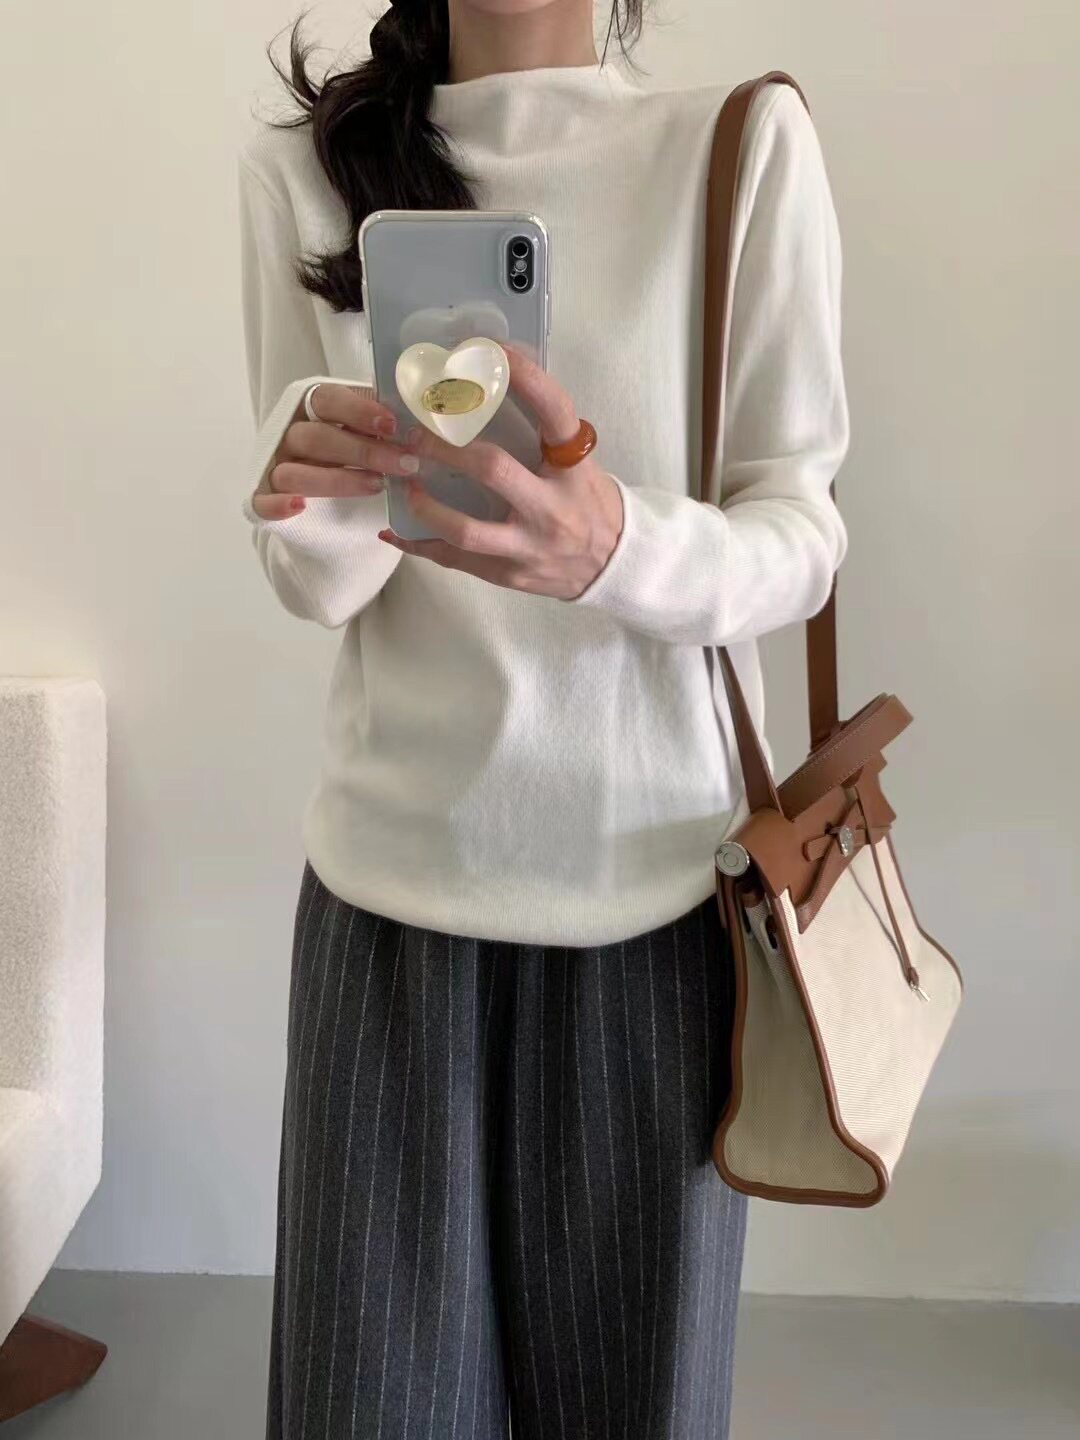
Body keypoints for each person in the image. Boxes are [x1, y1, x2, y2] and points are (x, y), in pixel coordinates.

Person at [238, 1, 849, 1436]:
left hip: (657, 913)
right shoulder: (306, 167)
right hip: (387, 913)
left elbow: (803, 537)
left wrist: (611, 545)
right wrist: (331, 471)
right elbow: (311, 581)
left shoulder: (737, 145)